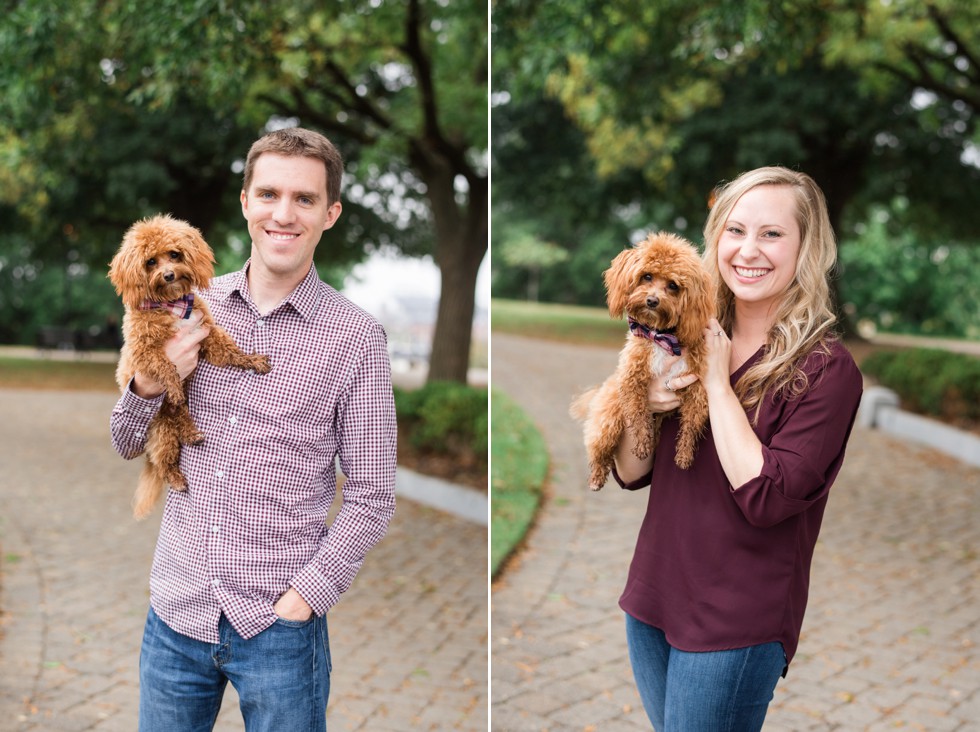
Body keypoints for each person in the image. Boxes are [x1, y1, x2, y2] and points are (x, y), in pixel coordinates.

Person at [110, 127, 397, 731]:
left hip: (278, 628)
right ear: (245, 203)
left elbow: (372, 496)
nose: (283, 214)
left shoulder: (357, 339)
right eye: (268, 194)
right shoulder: (184, 307)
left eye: (305, 199)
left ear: (331, 213)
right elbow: (125, 441)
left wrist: (306, 599)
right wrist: (151, 386)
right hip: (176, 613)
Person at [612, 166, 863, 731]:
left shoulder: (827, 371)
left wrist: (718, 385)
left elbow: (767, 498)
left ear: (806, 248)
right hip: (653, 598)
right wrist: (644, 408)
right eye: (735, 230)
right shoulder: (679, 333)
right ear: (715, 238)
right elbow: (629, 472)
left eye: (772, 234)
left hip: (735, 621)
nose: (749, 250)